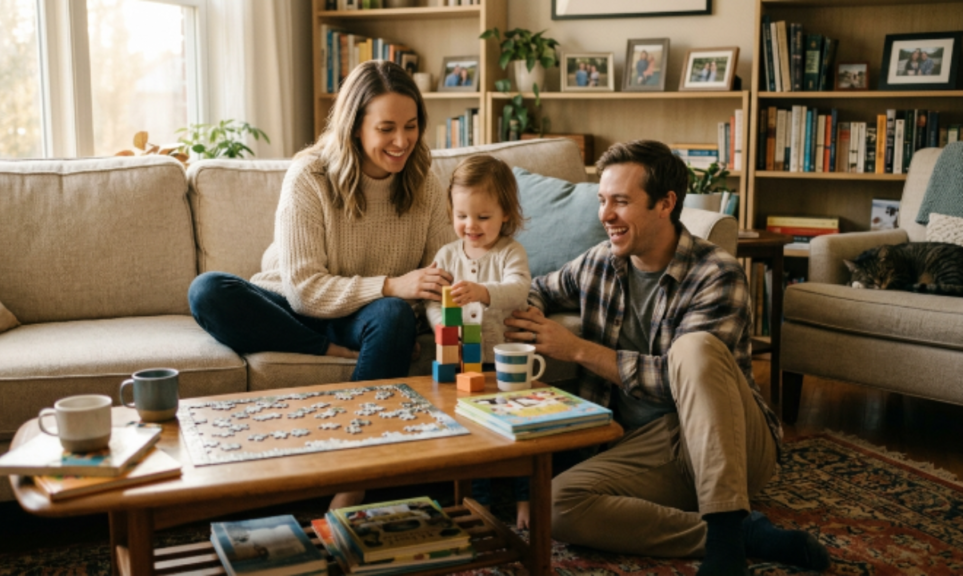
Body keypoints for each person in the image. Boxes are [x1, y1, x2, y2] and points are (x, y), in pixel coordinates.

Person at [503, 140, 831, 576]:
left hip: (730, 440)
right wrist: (526, 312)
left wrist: (576, 348)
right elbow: (539, 288)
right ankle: (735, 533)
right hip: (646, 445)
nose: (605, 215)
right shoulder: (601, 262)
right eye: (602, 200)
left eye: (621, 201)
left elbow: (681, 379)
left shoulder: (717, 273)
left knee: (692, 349)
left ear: (665, 203)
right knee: (556, 505)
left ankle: (726, 550)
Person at [187, 60, 456, 509]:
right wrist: (392, 284)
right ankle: (327, 350)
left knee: (391, 317)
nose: (402, 141)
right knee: (208, 290)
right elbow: (305, 290)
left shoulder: (424, 181)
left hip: (365, 313)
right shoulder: (309, 176)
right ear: (354, 128)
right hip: (293, 305)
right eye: (386, 128)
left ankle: (351, 484)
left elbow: (440, 275)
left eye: (411, 126)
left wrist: (424, 304)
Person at [425, 155, 532, 529]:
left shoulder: (509, 252)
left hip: (502, 361)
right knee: (473, 433)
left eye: (482, 217)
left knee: (518, 430)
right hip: (461, 361)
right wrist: (444, 328)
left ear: (506, 214)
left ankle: (525, 499)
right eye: (462, 215)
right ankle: (478, 505)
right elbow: (433, 302)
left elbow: (519, 289)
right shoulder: (447, 255)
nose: (470, 226)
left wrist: (483, 291)